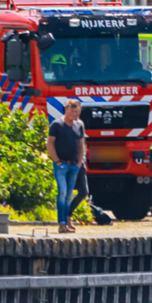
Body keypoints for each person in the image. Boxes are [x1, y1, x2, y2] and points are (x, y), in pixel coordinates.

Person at [47, 99, 86, 233]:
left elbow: (81, 145)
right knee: (62, 192)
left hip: (74, 165)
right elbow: (50, 143)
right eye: (73, 111)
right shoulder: (57, 124)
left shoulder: (79, 125)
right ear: (67, 109)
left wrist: (79, 163)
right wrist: (57, 160)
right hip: (61, 165)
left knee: (69, 194)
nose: (76, 114)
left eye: (78, 112)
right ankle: (61, 223)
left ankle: (66, 223)